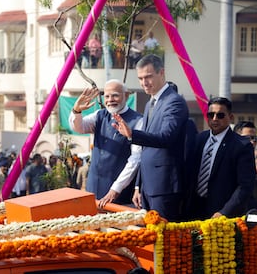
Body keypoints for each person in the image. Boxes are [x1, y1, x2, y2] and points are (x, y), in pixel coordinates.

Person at [112, 54, 189, 221]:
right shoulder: (150, 103)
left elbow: (166, 137)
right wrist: (139, 186)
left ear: (161, 73)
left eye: (148, 77)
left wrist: (132, 134)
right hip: (148, 186)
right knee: (150, 239)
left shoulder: (174, 102)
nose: (144, 82)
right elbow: (144, 150)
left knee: (164, 241)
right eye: (140, 78)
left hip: (165, 185)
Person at [69, 79, 143, 208]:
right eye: (107, 96)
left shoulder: (138, 121)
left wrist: (116, 188)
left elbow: (136, 159)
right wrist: (76, 111)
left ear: (126, 95)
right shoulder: (100, 115)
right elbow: (78, 128)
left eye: (115, 95)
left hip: (120, 192)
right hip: (94, 187)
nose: (110, 100)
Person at [186, 97, 257, 220]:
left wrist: (225, 212)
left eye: (220, 115)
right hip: (194, 210)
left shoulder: (241, 145)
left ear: (230, 117)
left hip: (222, 214)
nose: (214, 119)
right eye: (211, 115)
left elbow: (245, 186)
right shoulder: (199, 139)